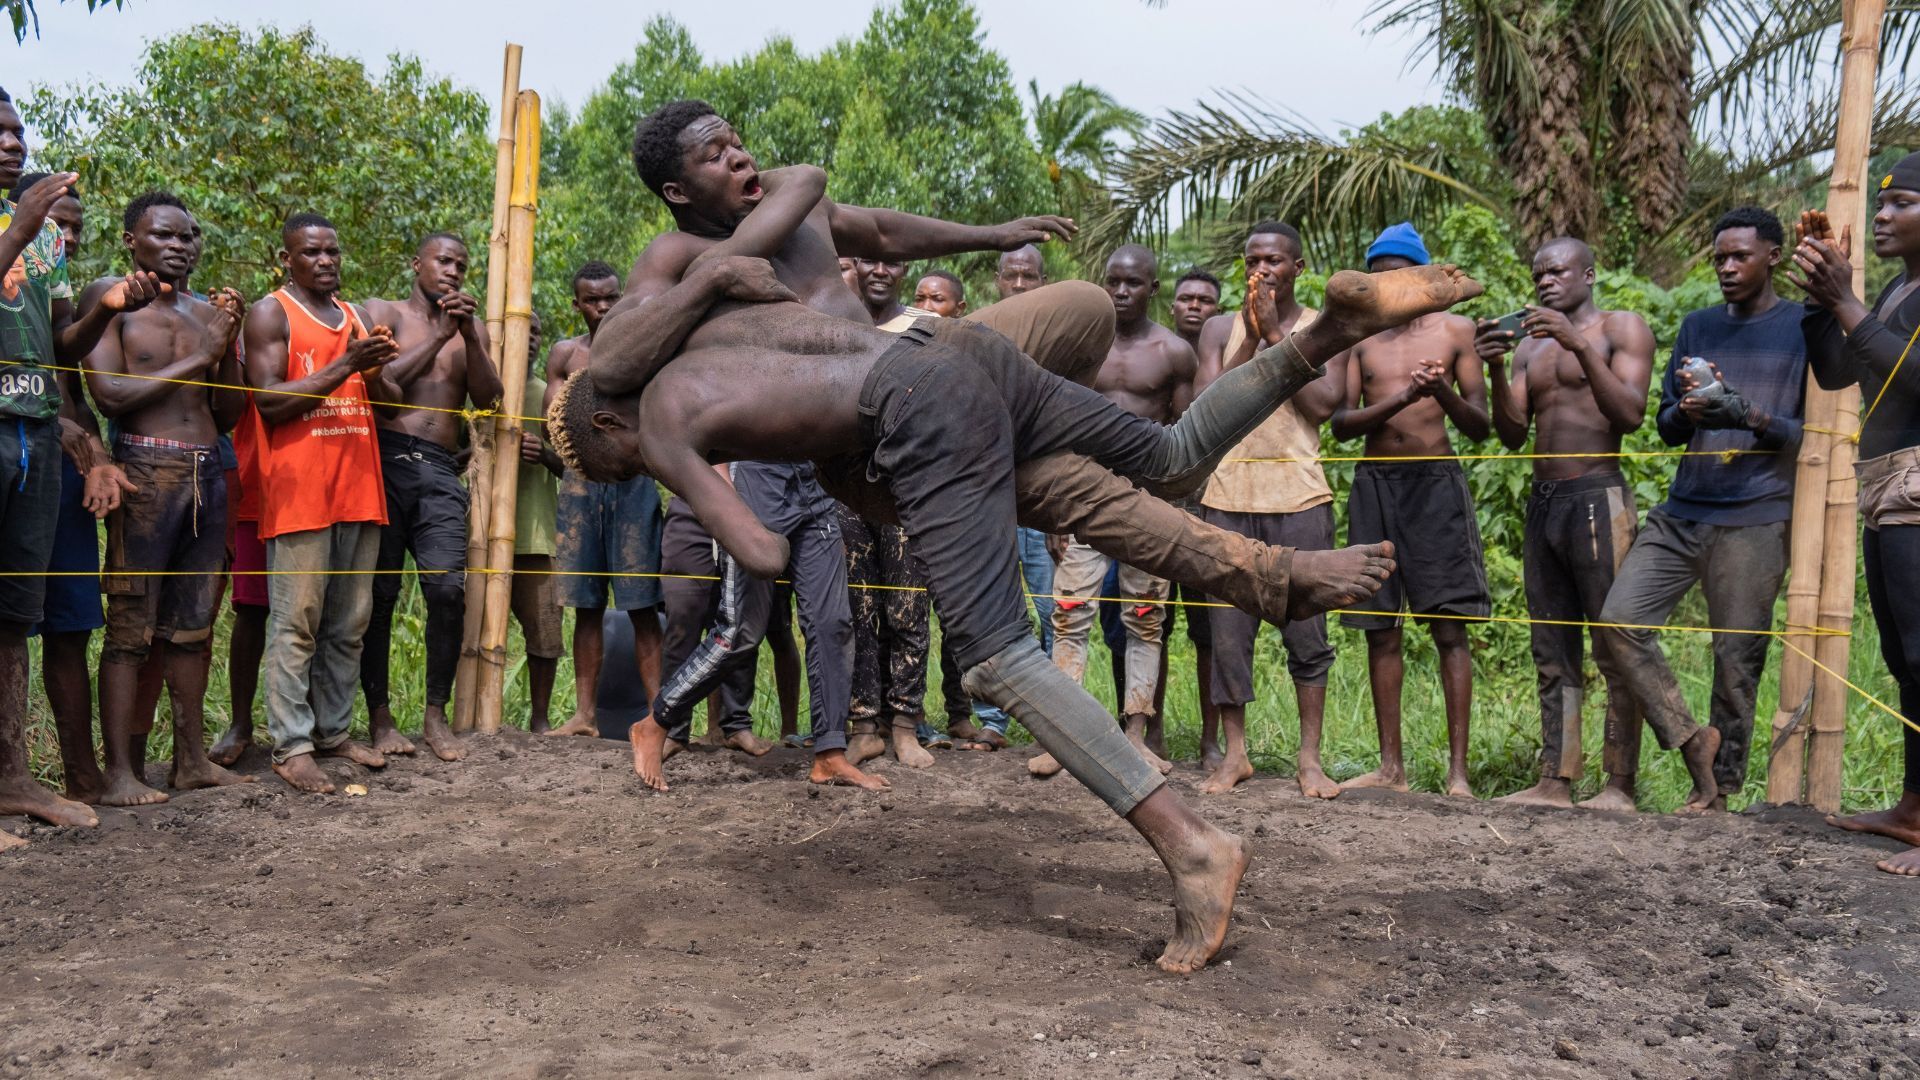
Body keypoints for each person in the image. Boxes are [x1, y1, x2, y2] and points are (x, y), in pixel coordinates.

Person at [555, 248, 1473, 973]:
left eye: (619, 460)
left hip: (916, 415)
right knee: (1170, 452)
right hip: (958, 351)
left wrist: (730, 498)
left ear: (608, 422)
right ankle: (1325, 334)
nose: (634, 464)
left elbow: (757, 551)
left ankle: (1194, 848)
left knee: (996, 655)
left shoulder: (664, 411)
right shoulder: (725, 313)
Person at [597, 102, 1405, 786]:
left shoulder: (795, 197)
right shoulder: (676, 256)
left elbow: (879, 229)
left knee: (1086, 310)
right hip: (874, 439)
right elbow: (614, 358)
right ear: (678, 189)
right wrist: (711, 276)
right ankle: (1270, 577)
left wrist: (993, 234)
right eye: (714, 155)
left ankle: (1044, 432)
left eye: (736, 140)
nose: (739, 155)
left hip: (922, 366)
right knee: (1078, 502)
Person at [1594, 207, 1805, 813]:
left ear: (1774, 257)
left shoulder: (1803, 327)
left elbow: (1808, 435)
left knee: (1735, 659)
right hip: (1685, 507)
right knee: (1620, 618)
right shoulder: (1697, 325)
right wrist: (1686, 412)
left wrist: (1747, 414)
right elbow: (1661, 425)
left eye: (1740, 256)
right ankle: (1691, 741)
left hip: (1757, 512)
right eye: (1719, 258)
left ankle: (1717, 794)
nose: (1728, 267)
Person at [1473, 238, 1683, 808]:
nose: (1545, 281)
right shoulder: (1529, 350)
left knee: (1613, 644)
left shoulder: (1623, 328)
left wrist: (1577, 344)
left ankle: (1620, 784)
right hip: (1544, 504)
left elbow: (1631, 413)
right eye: (1538, 273)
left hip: (1599, 496)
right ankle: (1555, 780)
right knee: (1551, 646)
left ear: (1588, 274)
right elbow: (1513, 432)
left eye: (1557, 271)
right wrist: (1495, 366)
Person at [0, 90, 146, 832]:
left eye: (18, 132)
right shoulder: (27, 227)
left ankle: (16, 778)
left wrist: (106, 308)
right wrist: (21, 224)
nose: (12, 143)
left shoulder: (46, 245)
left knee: (21, 614)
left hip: (32, 433)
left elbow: (61, 349)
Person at [81, 191, 252, 805]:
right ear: (132, 241)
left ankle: (190, 761)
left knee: (193, 625)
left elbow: (228, 413)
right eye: (164, 235)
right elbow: (109, 394)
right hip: (144, 470)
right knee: (131, 624)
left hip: (207, 472)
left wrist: (226, 349)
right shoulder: (111, 299)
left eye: (188, 236)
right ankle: (120, 772)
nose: (181, 246)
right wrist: (201, 356)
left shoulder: (207, 313)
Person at [1790, 154, 1920, 875]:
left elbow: (1913, 377)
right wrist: (1820, 301)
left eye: (1901, 202)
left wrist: (1847, 301)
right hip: (1885, 482)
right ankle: (1912, 807)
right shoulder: (1903, 292)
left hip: (1917, 482)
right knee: (1905, 658)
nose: (1880, 215)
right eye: (1880, 202)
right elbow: (1841, 373)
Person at [1330, 223, 1490, 798]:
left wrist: (1441, 392)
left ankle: (1458, 775)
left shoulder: (1457, 330)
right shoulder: (1358, 340)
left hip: (1436, 485)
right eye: (1377, 274)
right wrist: (1401, 397)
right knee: (1380, 629)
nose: (1388, 283)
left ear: (1422, 274)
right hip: (1377, 483)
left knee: (1449, 628)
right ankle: (1391, 769)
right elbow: (1342, 425)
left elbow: (1480, 424)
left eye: (1398, 271)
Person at [245, 212, 400, 794]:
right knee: (296, 624)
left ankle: (334, 732)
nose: (326, 261)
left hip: (359, 488)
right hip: (300, 492)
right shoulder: (271, 312)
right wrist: (346, 365)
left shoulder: (357, 317)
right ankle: (291, 745)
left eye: (333, 251)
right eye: (312, 252)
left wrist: (378, 369)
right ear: (287, 258)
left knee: (348, 623)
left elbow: (391, 404)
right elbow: (267, 400)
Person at [1034, 244, 1196, 779]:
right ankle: (1068, 738)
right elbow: (1058, 426)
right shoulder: (1083, 349)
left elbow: (1183, 438)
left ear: (1153, 288)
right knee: (1069, 613)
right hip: (1083, 497)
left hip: (1146, 503)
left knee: (1145, 620)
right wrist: (1056, 508)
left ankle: (1135, 736)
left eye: (1133, 283)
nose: (1121, 292)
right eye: (1113, 282)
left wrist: (1174, 512)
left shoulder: (1174, 352)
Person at [1192, 222, 1343, 797]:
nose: (1263, 269)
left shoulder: (1324, 327)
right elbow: (1210, 403)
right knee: (1229, 635)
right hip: (1227, 497)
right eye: (1254, 259)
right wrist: (1252, 338)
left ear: (1298, 268)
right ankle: (1235, 755)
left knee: (1306, 632)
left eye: (1275, 260)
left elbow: (1324, 406)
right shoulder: (1216, 329)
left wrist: (1279, 332)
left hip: (1299, 497)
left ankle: (1309, 761)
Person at [357, 233, 499, 762]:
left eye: (461, 265)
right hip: (386, 457)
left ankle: (435, 715)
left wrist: (469, 337)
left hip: (440, 470)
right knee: (380, 595)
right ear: (417, 263)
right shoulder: (383, 312)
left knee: (445, 589)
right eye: (444, 261)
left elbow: (487, 399)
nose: (453, 271)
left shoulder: (470, 329)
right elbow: (382, 380)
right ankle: (379, 716)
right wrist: (440, 335)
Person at [13, 171, 109, 804]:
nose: (65, 236)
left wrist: (91, 443)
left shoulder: (54, 282)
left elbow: (66, 368)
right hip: (23, 445)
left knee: (70, 621)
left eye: (74, 226)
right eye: (56, 223)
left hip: (59, 462)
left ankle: (82, 775)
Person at [542, 261, 666, 739]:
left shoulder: (646, 350)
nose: (603, 307)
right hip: (579, 487)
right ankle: (584, 716)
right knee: (586, 604)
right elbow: (552, 422)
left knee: (642, 604)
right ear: (577, 305)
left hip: (634, 481)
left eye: (611, 297)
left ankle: (660, 715)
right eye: (592, 300)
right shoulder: (565, 353)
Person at [843, 256, 937, 767]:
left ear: (906, 270)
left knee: (908, 608)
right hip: (846, 485)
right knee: (858, 610)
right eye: (868, 261)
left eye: (892, 261)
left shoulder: (925, 328)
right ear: (853, 267)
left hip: (906, 486)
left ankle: (904, 724)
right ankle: (863, 725)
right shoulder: (836, 322)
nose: (880, 270)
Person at [513, 312, 565, 733]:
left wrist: (543, 454)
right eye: (519, 331)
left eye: (535, 333)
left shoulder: (548, 395)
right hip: (479, 536)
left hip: (536, 532)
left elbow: (574, 468)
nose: (528, 340)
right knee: (471, 631)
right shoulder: (482, 391)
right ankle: (478, 713)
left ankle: (540, 719)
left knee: (545, 631)